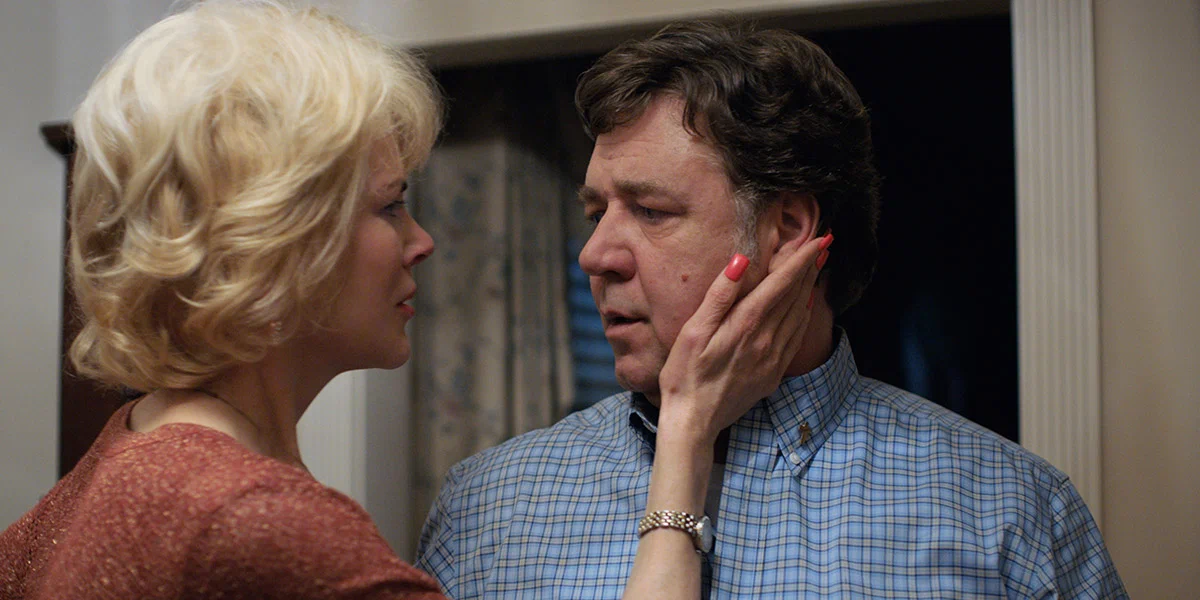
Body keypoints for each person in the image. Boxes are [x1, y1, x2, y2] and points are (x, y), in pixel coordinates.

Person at [0, 3, 826, 599]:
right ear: (282, 239)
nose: (421, 240)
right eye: (391, 205)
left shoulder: (102, 473)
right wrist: (685, 439)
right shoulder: (259, 520)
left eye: (651, 210)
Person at [415, 20, 1129, 599]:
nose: (595, 255)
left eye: (651, 211)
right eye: (596, 212)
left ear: (787, 229)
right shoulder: (490, 507)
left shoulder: (1008, 510)